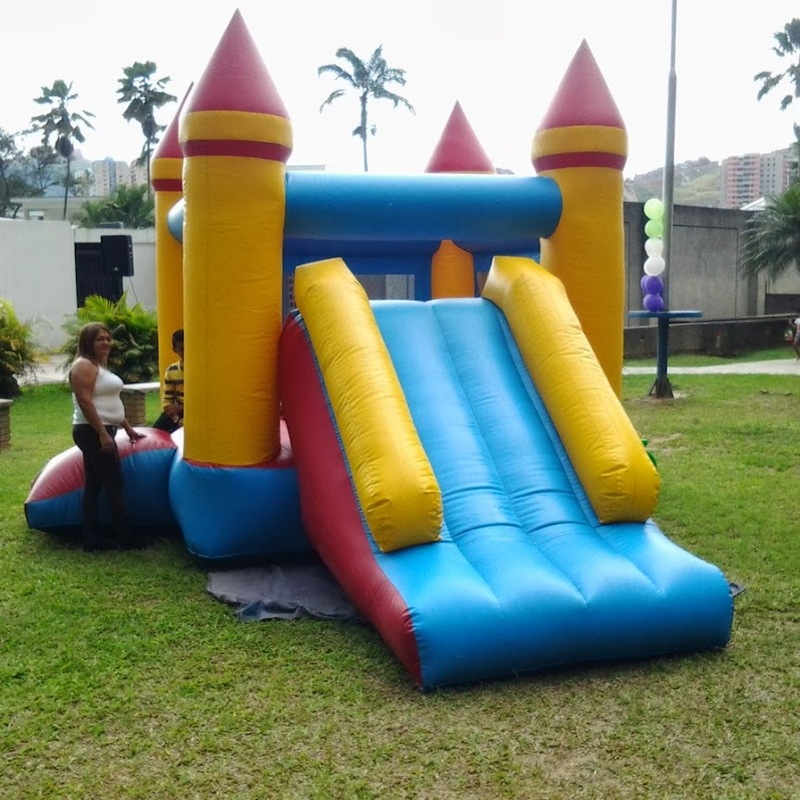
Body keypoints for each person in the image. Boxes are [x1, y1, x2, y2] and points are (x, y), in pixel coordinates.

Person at [69, 322, 146, 552]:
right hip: (92, 431)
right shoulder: (83, 365)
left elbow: (108, 402)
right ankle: (127, 537)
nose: (105, 342)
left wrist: (127, 428)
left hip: (101, 430)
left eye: (107, 338)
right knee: (114, 484)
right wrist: (102, 433)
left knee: (94, 485)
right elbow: (85, 401)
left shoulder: (98, 365)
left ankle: (93, 538)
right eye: (99, 339)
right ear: (88, 342)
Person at [152, 329, 184, 433]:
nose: (186, 352)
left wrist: (181, 408)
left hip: (194, 412)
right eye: (182, 349)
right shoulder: (171, 371)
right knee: (155, 433)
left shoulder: (202, 370)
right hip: (177, 413)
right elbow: (167, 398)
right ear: (175, 350)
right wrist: (174, 414)